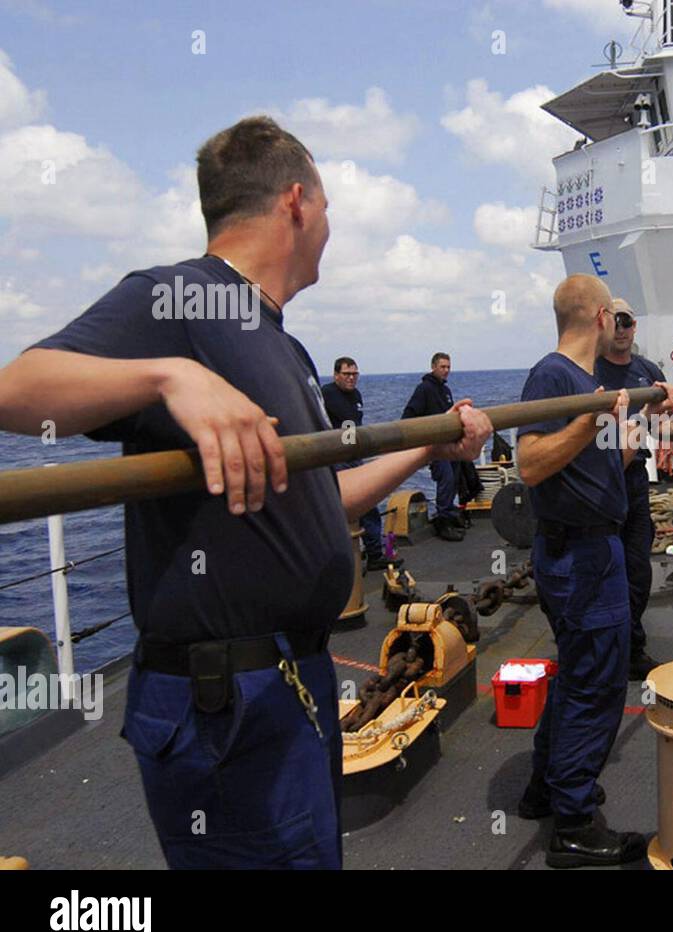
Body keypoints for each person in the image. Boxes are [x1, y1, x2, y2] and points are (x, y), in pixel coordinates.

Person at [0, 116, 492, 869]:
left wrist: (430, 442)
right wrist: (170, 376)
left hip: (292, 683)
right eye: (326, 207)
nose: (330, 225)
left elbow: (322, 506)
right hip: (226, 708)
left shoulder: (281, 344)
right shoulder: (182, 298)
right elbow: (18, 392)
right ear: (296, 201)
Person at [514, 274, 673, 867]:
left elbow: (599, 466)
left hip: (592, 546)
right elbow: (529, 464)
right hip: (580, 556)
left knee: (580, 672)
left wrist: (636, 426)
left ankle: (545, 787)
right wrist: (589, 422)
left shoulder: (586, 382)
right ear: (603, 316)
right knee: (598, 682)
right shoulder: (555, 375)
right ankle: (575, 824)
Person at [595, 298, 673, 682]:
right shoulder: (588, 372)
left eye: (629, 321)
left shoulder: (647, 372)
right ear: (603, 324)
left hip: (633, 483)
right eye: (617, 320)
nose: (624, 328)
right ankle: (602, 650)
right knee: (600, 569)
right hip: (597, 482)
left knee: (637, 569)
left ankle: (630, 647)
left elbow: (659, 424)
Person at [321, 356, 395, 569]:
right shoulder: (326, 395)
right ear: (336, 375)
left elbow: (356, 426)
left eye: (355, 374)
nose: (351, 378)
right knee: (343, 510)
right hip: (336, 460)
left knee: (369, 505)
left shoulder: (356, 395)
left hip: (355, 457)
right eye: (347, 374)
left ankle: (374, 553)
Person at [402, 352, 464, 541]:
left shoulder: (445, 391)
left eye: (448, 367)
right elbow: (409, 416)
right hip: (434, 446)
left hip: (449, 444)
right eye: (442, 367)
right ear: (433, 367)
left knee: (455, 478)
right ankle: (443, 521)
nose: (446, 371)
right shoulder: (424, 389)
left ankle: (450, 515)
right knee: (445, 478)